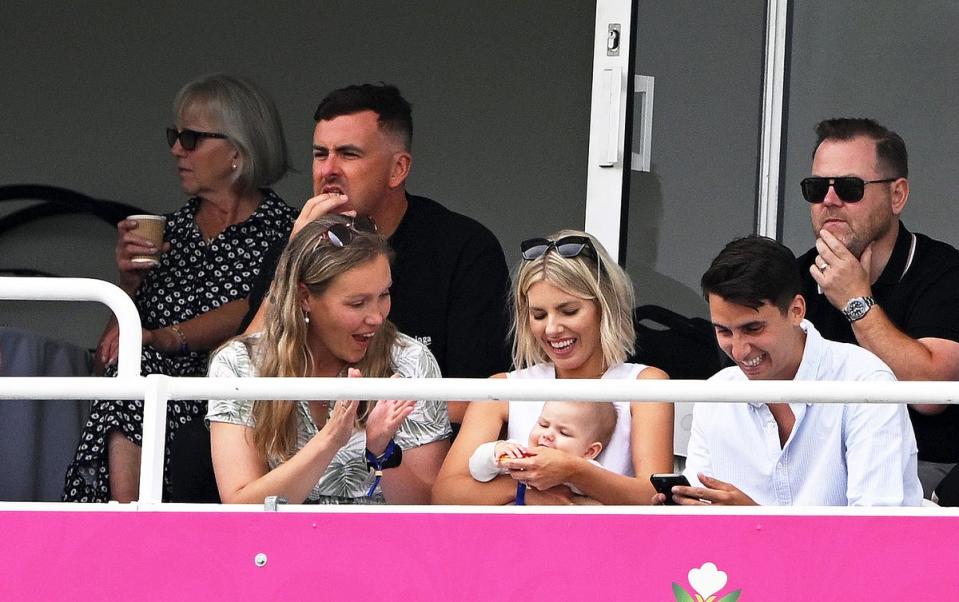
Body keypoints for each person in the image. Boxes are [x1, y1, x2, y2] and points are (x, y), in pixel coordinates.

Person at [62, 74, 297, 502]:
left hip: (239, 405)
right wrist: (127, 286)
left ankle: (130, 519)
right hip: (155, 402)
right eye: (175, 135)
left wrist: (166, 338)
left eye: (190, 138)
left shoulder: (289, 231)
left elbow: (259, 308)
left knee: (140, 379)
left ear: (236, 151)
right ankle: (126, 517)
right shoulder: (168, 234)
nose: (175, 150)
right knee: (130, 378)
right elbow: (107, 361)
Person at [240, 83, 511, 424]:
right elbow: (239, 377)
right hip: (300, 445)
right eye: (320, 154)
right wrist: (293, 259)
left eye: (349, 154)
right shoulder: (293, 245)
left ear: (398, 169)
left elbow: (482, 399)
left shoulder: (464, 248)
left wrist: (365, 422)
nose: (328, 170)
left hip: (415, 452)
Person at [656, 235, 921, 506]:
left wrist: (756, 523)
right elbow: (703, 515)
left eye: (753, 328)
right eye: (723, 331)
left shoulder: (866, 383)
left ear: (796, 310)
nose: (739, 351)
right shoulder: (715, 394)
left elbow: (873, 531)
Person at [206, 216, 451, 504]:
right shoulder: (240, 363)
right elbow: (241, 508)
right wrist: (331, 439)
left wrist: (381, 449)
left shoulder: (410, 360)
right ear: (305, 297)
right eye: (356, 303)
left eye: (383, 295)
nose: (377, 317)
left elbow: (428, 509)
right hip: (280, 543)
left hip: (384, 544)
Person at [432, 230, 674, 505]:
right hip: (521, 546)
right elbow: (446, 494)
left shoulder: (646, 384)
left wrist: (573, 470)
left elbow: (656, 497)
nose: (552, 328)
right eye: (538, 315)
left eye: (569, 311)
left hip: (612, 546)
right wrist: (526, 492)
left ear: (604, 306)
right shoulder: (503, 387)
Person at [797, 118, 959, 498]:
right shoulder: (794, 279)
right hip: (821, 469)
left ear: (897, 195)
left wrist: (857, 303)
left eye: (849, 188)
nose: (829, 200)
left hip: (924, 474)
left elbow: (931, 395)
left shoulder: (944, 271)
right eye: (817, 187)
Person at [468, 401, 618, 494]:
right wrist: (495, 452)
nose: (547, 434)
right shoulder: (518, 453)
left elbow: (605, 492)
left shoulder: (588, 469)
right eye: (543, 424)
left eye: (564, 433)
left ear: (589, 451)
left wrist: (571, 472)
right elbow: (477, 471)